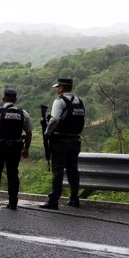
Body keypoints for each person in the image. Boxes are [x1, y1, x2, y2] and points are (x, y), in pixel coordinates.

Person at [0, 88, 33, 210]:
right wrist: (26, 149)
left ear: (3, 99)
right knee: (13, 174)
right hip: (15, 147)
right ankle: (13, 202)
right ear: (15, 100)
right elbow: (29, 133)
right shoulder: (23, 114)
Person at [40, 78, 86, 210]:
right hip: (75, 141)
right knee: (73, 171)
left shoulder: (59, 101)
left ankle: (53, 201)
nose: (56, 89)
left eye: (58, 87)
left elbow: (54, 120)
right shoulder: (79, 101)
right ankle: (74, 198)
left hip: (60, 142)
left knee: (58, 171)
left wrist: (47, 132)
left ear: (62, 88)